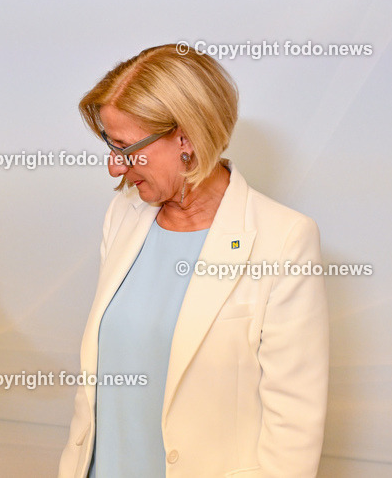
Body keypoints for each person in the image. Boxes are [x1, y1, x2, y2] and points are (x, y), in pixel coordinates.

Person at [59, 45, 328, 477]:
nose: (115, 167)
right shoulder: (123, 215)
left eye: (127, 149)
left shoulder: (284, 239)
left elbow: (293, 426)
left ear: (185, 139)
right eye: (111, 145)